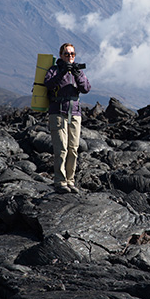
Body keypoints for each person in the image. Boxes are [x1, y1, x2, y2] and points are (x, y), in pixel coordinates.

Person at [44, 43, 91, 193]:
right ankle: (60, 181)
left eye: (72, 54)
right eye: (66, 54)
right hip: (57, 113)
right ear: (61, 55)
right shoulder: (54, 70)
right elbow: (49, 84)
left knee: (73, 149)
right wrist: (62, 72)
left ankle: (70, 181)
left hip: (75, 114)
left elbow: (86, 88)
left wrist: (76, 74)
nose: (69, 56)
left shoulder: (77, 72)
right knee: (61, 149)